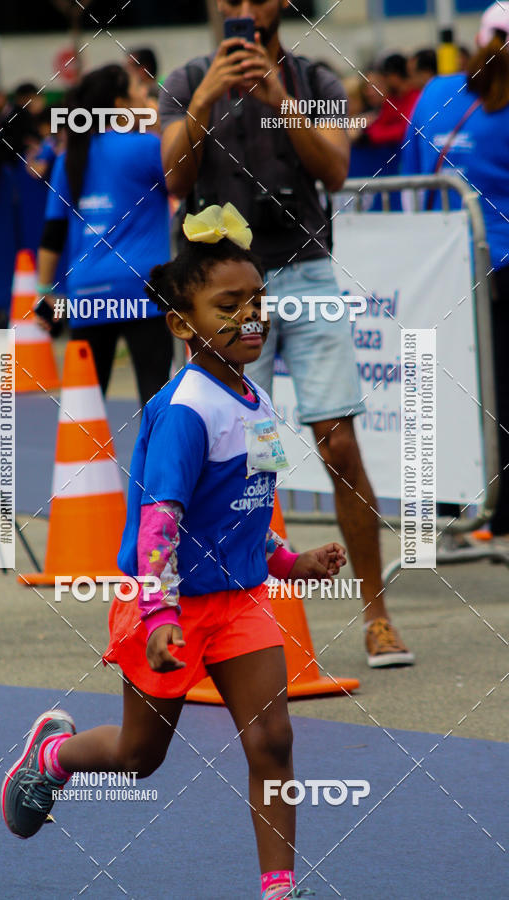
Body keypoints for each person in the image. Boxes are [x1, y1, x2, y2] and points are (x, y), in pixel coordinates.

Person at [2, 203, 347, 900]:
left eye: (260, 301)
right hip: (170, 605)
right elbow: (161, 525)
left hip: (242, 604)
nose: (253, 316)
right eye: (230, 305)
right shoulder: (187, 410)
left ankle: (279, 889)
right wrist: (159, 618)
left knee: (273, 740)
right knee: (138, 756)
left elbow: (241, 510)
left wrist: (288, 560)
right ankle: (52, 754)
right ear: (181, 324)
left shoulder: (253, 396)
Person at [159, 0, 414, 667]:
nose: (242, 10)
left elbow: (335, 170)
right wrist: (210, 95)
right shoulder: (189, 80)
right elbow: (172, 177)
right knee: (239, 457)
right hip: (220, 292)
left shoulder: (314, 80)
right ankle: (217, 620)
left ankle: (377, 617)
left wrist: (277, 98)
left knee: (340, 448)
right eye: (229, 0)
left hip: (305, 277)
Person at [401, 1, 509, 546]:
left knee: (437, 388)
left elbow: (408, 173)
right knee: (500, 388)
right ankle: (497, 515)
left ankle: (438, 519)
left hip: (434, 260)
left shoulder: (437, 91)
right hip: (499, 265)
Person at [36, 64, 172, 404]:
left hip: (87, 290)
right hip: (143, 287)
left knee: (84, 408)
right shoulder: (147, 147)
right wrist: (160, 125)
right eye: (140, 90)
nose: (149, 95)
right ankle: (151, 461)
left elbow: (53, 231)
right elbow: (184, 186)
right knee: (155, 401)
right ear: (120, 103)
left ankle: (81, 460)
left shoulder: (69, 157)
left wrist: (44, 292)